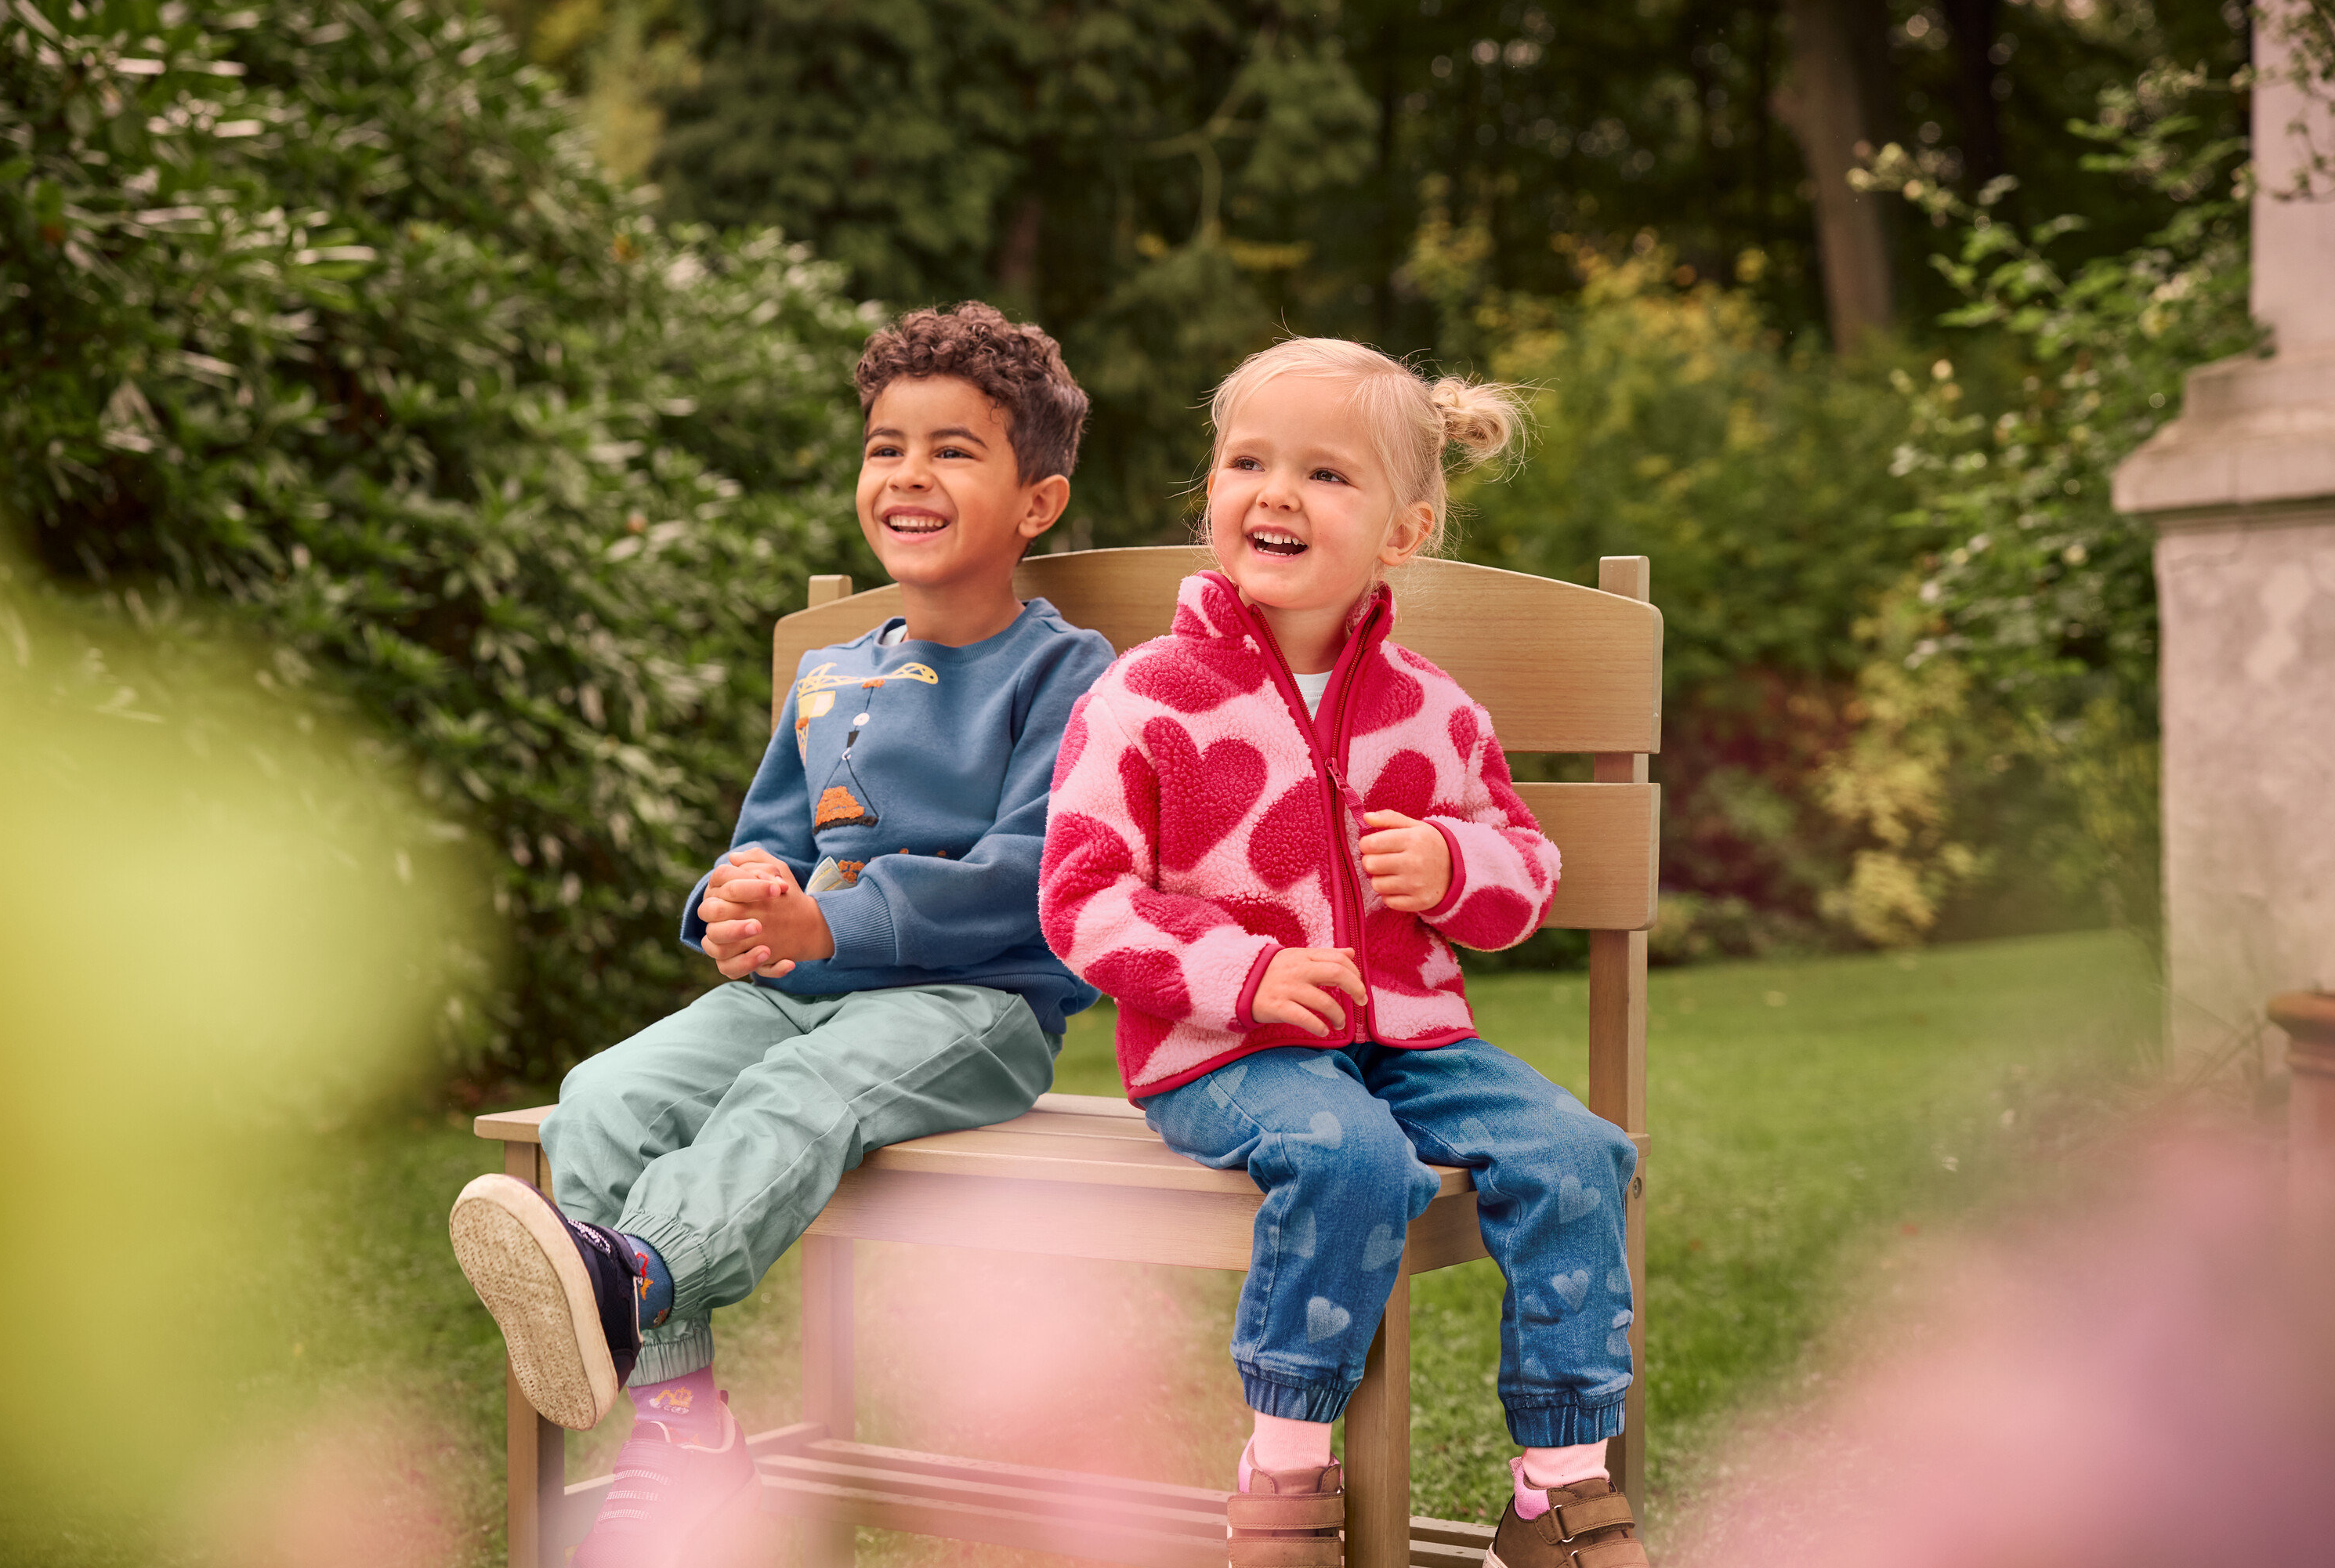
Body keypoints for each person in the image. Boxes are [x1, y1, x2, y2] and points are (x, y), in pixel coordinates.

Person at [449, 302, 1116, 1566]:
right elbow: (769, 842)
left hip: (974, 1008)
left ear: (1038, 501)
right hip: (804, 981)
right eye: (884, 446)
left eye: (953, 450)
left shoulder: (1069, 672)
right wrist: (733, 902)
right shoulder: (832, 673)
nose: (908, 474)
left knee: (800, 1089)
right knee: (599, 1099)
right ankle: (685, 1427)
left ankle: (633, 1278)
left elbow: (1034, 882)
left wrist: (828, 920)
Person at [1038, 338, 1645, 1568]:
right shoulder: (1144, 697)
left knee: (1585, 1153)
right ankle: (1284, 1473)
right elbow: (1085, 901)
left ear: (1405, 529)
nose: (1275, 493)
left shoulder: (1437, 710)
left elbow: (1523, 869)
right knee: (1353, 1160)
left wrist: (1452, 865)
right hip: (1227, 1052)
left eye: (1325, 473)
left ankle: (1558, 1492)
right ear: (1209, 490)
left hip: (1415, 1038)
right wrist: (1245, 973)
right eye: (1248, 461)